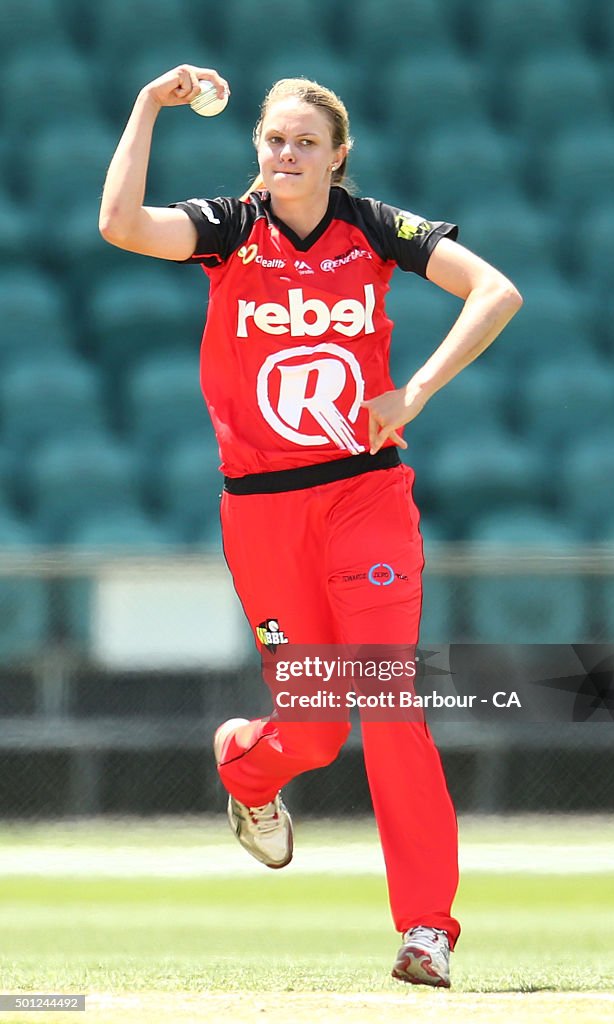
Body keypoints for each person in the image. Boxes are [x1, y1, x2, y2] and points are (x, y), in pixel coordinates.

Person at [99, 63, 522, 988]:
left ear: (338, 158)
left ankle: (425, 930)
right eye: (273, 141)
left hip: (366, 496)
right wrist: (145, 107)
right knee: (318, 730)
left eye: (304, 143)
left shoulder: (373, 230)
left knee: (389, 702)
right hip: (261, 513)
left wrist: (412, 390)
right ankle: (248, 771)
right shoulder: (229, 230)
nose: (284, 155)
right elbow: (121, 226)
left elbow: (494, 290)